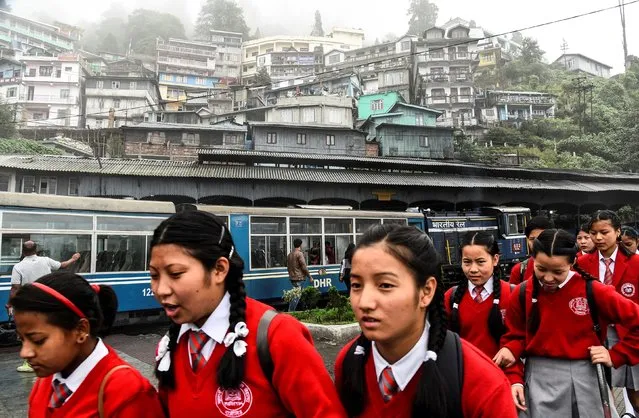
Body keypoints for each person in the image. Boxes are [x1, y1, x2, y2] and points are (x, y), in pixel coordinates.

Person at [149, 210, 346, 418]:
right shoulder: (172, 345)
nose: (161, 289)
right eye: (154, 275)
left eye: (176, 274)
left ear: (219, 269)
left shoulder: (278, 338)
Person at [334, 224, 516, 418]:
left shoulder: (483, 384)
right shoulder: (349, 363)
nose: (365, 302)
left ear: (426, 291)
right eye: (356, 285)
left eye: (385, 285)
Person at [501, 229, 639, 418]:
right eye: (541, 269)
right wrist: (514, 377)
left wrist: (616, 355)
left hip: (586, 376)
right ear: (532, 259)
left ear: (573, 262)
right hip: (538, 379)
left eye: (558, 271)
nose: (548, 278)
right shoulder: (522, 292)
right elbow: (513, 337)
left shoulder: (595, 290)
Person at [10, 271, 164, 418]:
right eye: (22, 339)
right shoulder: (49, 377)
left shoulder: (129, 393)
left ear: (81, 330)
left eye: (38, 340)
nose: (25, 353)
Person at [576, 210, 639, 417]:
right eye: (594, 233)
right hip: (597, 334)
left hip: (631, 333)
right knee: (603, 387)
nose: (598, 238)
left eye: (604, 232)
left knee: (635, 392)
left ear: (618, 232)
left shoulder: (636, 263)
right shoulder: (582, 264)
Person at [9, 240, 81, 373]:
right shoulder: (46, 260)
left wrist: (10, 304)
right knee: (51, 328)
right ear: (36, 250)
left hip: (30, 303)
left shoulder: (18, 267)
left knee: (31, 331)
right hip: (49, 301)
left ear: (23, 252)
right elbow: (63, 266)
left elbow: (15, 288)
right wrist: (73, 258)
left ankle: (30, 362)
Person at [445, 231, 513, 362]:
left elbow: (518, 337)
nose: (473, 269)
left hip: (501, 374)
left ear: (495, 259)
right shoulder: (450, 297)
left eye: (480, 262)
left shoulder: (511, 294)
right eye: (467, 262)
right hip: (464, 375)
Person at [509, 216, 552, 285]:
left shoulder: (565, 267)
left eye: (541, 238)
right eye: (532, 239)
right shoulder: (518, 270)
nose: (536, 243)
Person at [287, 238, 313, 312]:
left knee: (297, 295)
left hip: (292, 277)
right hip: (299, 278)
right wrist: (310, 276)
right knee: (296, 296)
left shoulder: (290, 255)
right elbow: (303, 266)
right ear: (300, 245)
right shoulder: (299, 254)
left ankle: (303, 310)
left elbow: (288, 267)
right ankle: (291, 312)